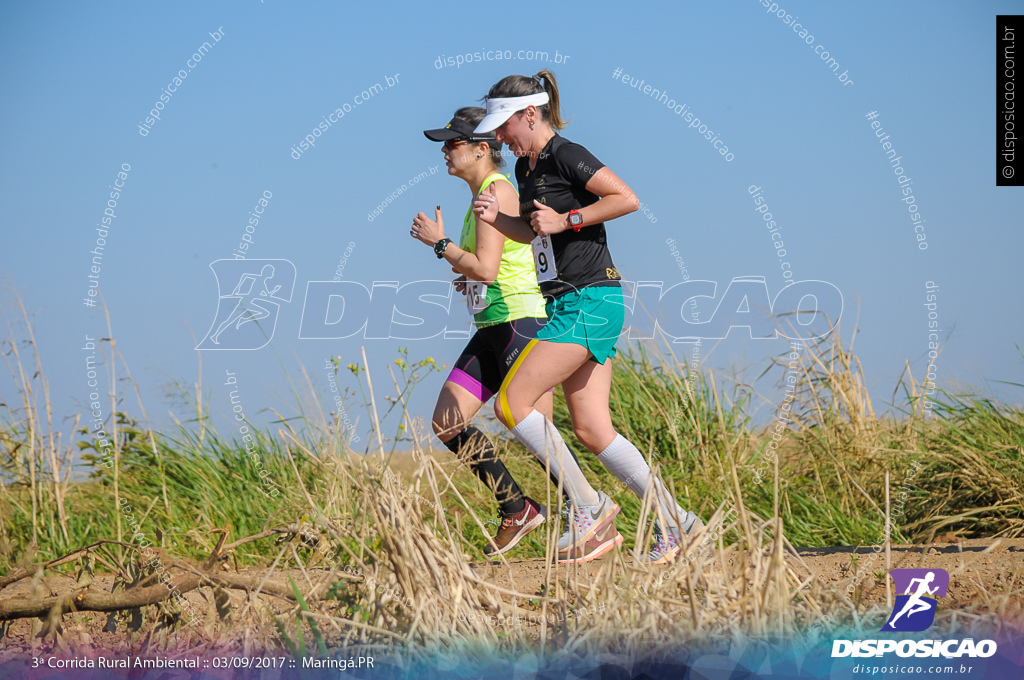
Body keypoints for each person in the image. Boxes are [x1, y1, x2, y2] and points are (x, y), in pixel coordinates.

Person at [472, 71, 703, 564]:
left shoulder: (566, 154)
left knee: (511, 405)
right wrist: (499, 221)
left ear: (530, 114)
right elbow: (534, 235)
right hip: (567, 302)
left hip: (590, 301)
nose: (497, 137)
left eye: (503, 126)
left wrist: (568, 218)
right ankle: (679, 523)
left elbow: (626, 198)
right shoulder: (526, 169)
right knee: (593, 430)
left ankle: (589, 509)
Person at [410, 107, 582, 556]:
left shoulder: (498, 190)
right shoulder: (478, 198)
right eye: (444, 144)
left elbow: (486, 268)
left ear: (481, 148)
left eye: (453, 142)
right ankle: (517, 507)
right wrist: (461, 269)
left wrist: (441, 245)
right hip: (491, 323)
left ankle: (584, 513)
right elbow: (485, 269)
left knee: (541, 433)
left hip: (520, 322)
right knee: (447, 423)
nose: (445, 151)